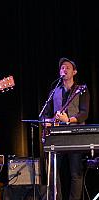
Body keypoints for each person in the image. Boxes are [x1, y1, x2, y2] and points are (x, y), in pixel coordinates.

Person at [42, 57, 90, 200]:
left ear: (74, 72)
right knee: (53, 172)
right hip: (57, 135)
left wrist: (68, 120)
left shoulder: (82, 90)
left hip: (75, 134)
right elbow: (45, 113)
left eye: (67, 67)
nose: (64, 69)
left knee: (76, 172)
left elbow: (84, 113)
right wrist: (47, 121)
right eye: (62, 67)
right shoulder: (54, 91)